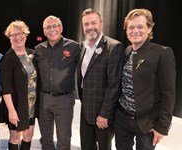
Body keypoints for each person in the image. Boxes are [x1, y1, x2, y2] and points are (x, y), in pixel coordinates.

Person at [114, 8, 176, 150]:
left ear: (149, 29)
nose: (135, 31)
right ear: (126, 30)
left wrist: (162, 127)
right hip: (122, 119)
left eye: (140, 26)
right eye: (131, 27)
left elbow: (169, 93)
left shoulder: (162, 53)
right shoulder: (127, 50)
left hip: (147, 123)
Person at [77, 8, 124, 150]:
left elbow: (114, 85)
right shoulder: (82, 47)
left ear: (101, 24)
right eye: (86, 24)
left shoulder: (113, 47)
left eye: (93, 23)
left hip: (103, 114)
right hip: (86, 111)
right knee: (86, 146)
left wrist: (104, 114)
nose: (90, 27)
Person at [34, 15, 80, 150]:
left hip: (64, 99)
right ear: (44, 31)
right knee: (46, 139)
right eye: (48, 27)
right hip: (44, 99)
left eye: (54, 26)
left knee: (64, 139)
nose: (52, 29)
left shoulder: (74, 47)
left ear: (61, 28)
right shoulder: (38, 49)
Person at [0, 20, 37, 150]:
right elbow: (6, 89)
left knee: (28, 136)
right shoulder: (7, 59)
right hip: (16, 105)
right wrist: (12, 111)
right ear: (9, 38)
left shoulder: (32, 54)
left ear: (26, 35)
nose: (17, 37)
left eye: (20, 33)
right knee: (15, 138)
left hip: (31, 105)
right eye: (13, 35)